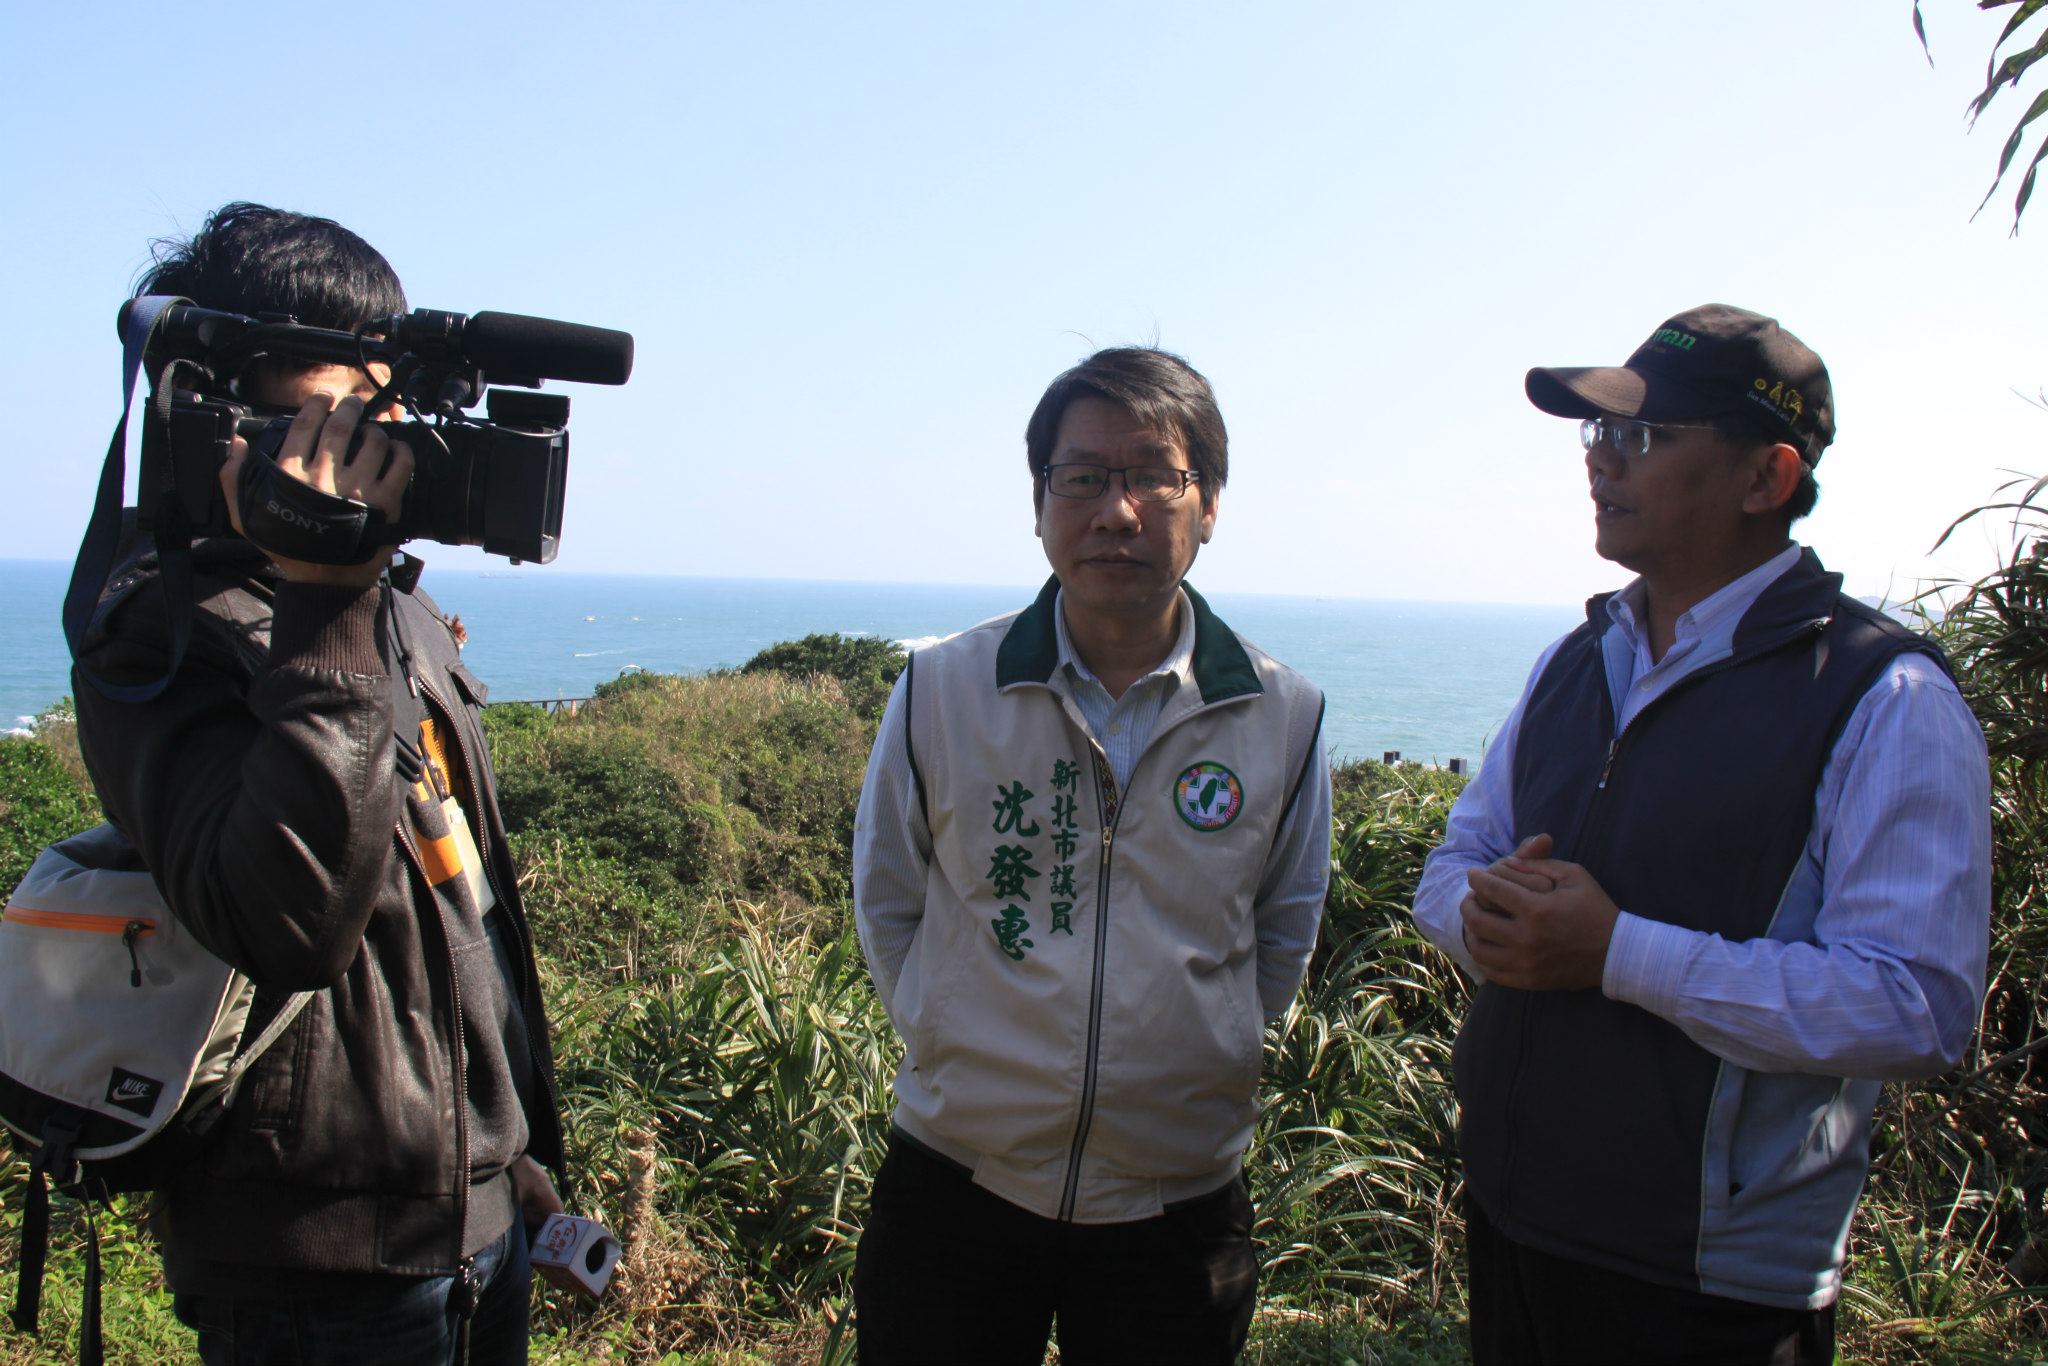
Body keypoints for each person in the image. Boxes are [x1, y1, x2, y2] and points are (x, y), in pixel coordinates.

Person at [1411, 304, 1991, 1365]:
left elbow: (1916, 1006)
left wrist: (1616, 952)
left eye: (1639, 437)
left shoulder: (1882, 698)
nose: (1599, 463)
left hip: (1708, 1286)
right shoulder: (1574, 661)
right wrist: (1485, 922)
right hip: (1510, 1216)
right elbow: (1453, 862)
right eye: (1596, 435)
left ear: (1764, 477)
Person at [71, 203, 565, 1364]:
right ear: (221, 409)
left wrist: (512, 1147)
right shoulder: (157, 632)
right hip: (313, 1267)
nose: (372, 448)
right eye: (339, 413)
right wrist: (325, 592)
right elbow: (289, 919)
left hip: (472, 1220)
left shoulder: (386, 605)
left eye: (385, 412)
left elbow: (460, 910)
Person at [850, 347, 1331, 1364]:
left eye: (1153, 475)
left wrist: (1209, 1044)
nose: (1115, 511)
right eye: (1081, 477)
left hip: (1178, 1200)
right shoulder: (941, 688)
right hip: (957, 1183)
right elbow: (888, 897)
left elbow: (1283, 928)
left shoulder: (1280, 714)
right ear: (1038, 504)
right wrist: (949, 1036)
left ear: (1208, 507)